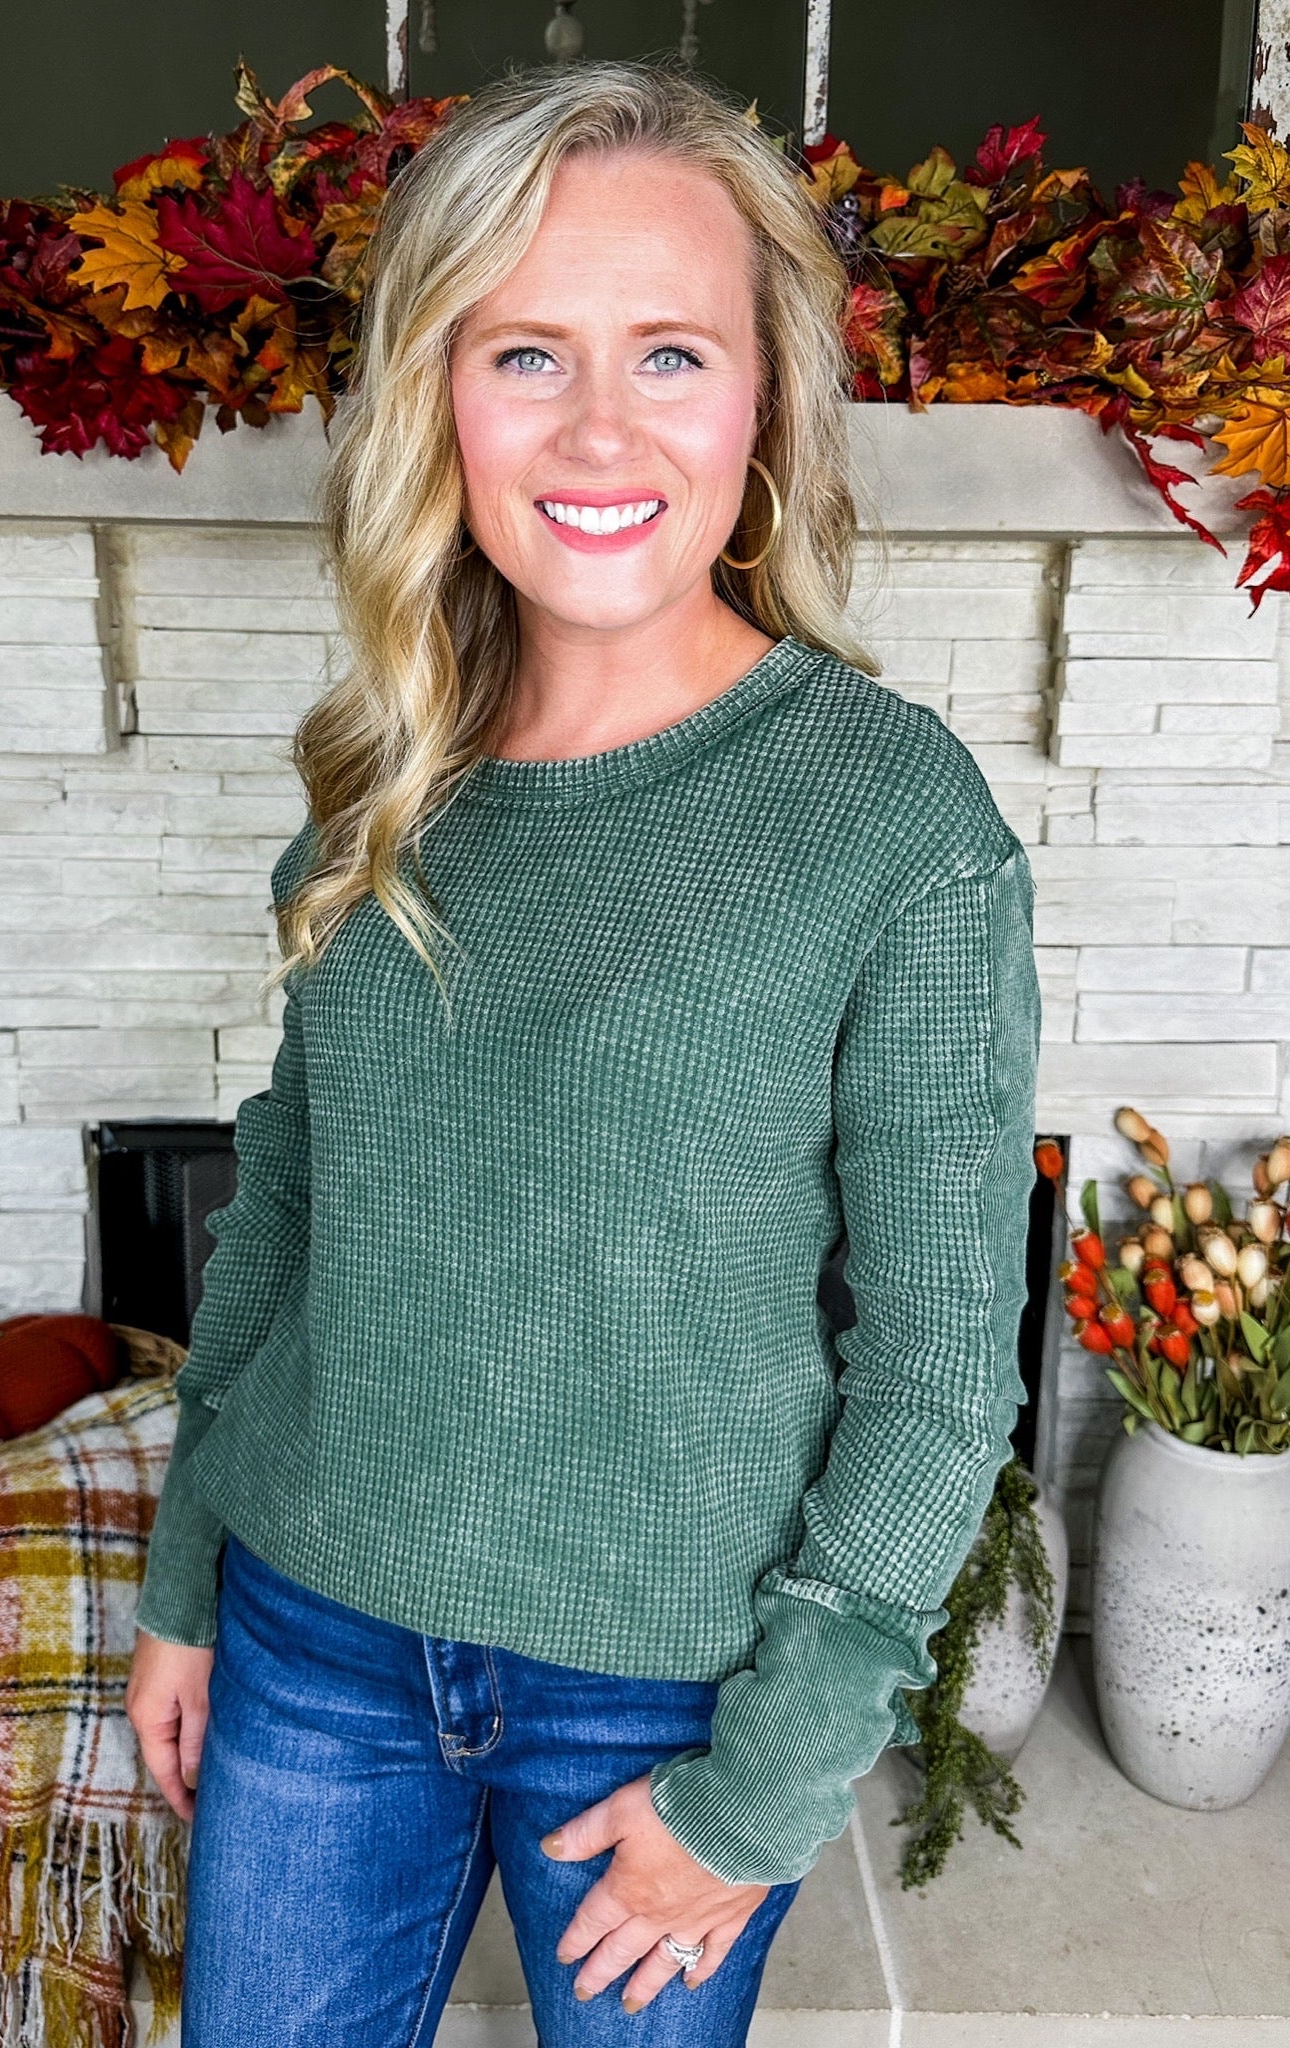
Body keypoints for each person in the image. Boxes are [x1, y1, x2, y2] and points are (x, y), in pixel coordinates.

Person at [125, 55, 1042, 2048]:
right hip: (310, 1629)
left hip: (663, 1693)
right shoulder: (389, 771)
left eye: (670, 355)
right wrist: (189, 1574)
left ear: (764, 399)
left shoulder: (890, 820)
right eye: (525, 352)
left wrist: (765, 1786)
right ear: (437, 396)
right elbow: (290, 1209)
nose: (599, 428)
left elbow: (936, 1367)